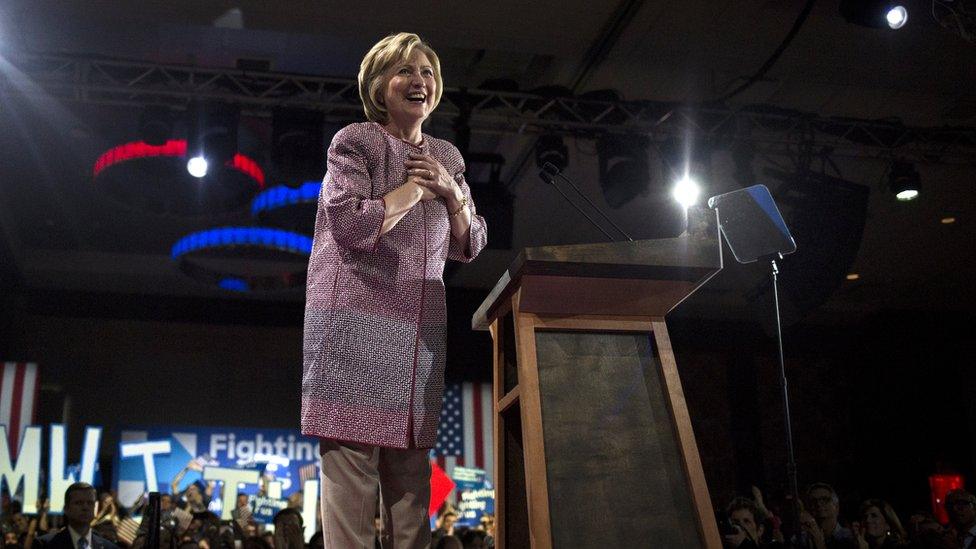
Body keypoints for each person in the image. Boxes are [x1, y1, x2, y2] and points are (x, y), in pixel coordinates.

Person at [301, 31, 487, 549]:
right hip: (353, 329)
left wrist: (452, 195)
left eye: (427, 72)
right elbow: (350, 224)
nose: (419, 82)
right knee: (352, 478)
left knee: (410, 484)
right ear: (379, 87)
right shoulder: (355, 142)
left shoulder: (447, 155)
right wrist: (413, 190)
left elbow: (471, 243)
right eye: (405, 71)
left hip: (416, 336)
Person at [33, 482, 119, 549]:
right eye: (79, 503)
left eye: (90, 503)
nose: (85, 507)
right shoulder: (45, 545)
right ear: (66, 509)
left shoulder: (109, 547)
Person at [798, 483, 857, 549]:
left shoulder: (850, 538)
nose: (818, 504)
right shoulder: (801, 538)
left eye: (825, 499)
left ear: (836, 507)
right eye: (813, 501)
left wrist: (819, 545)